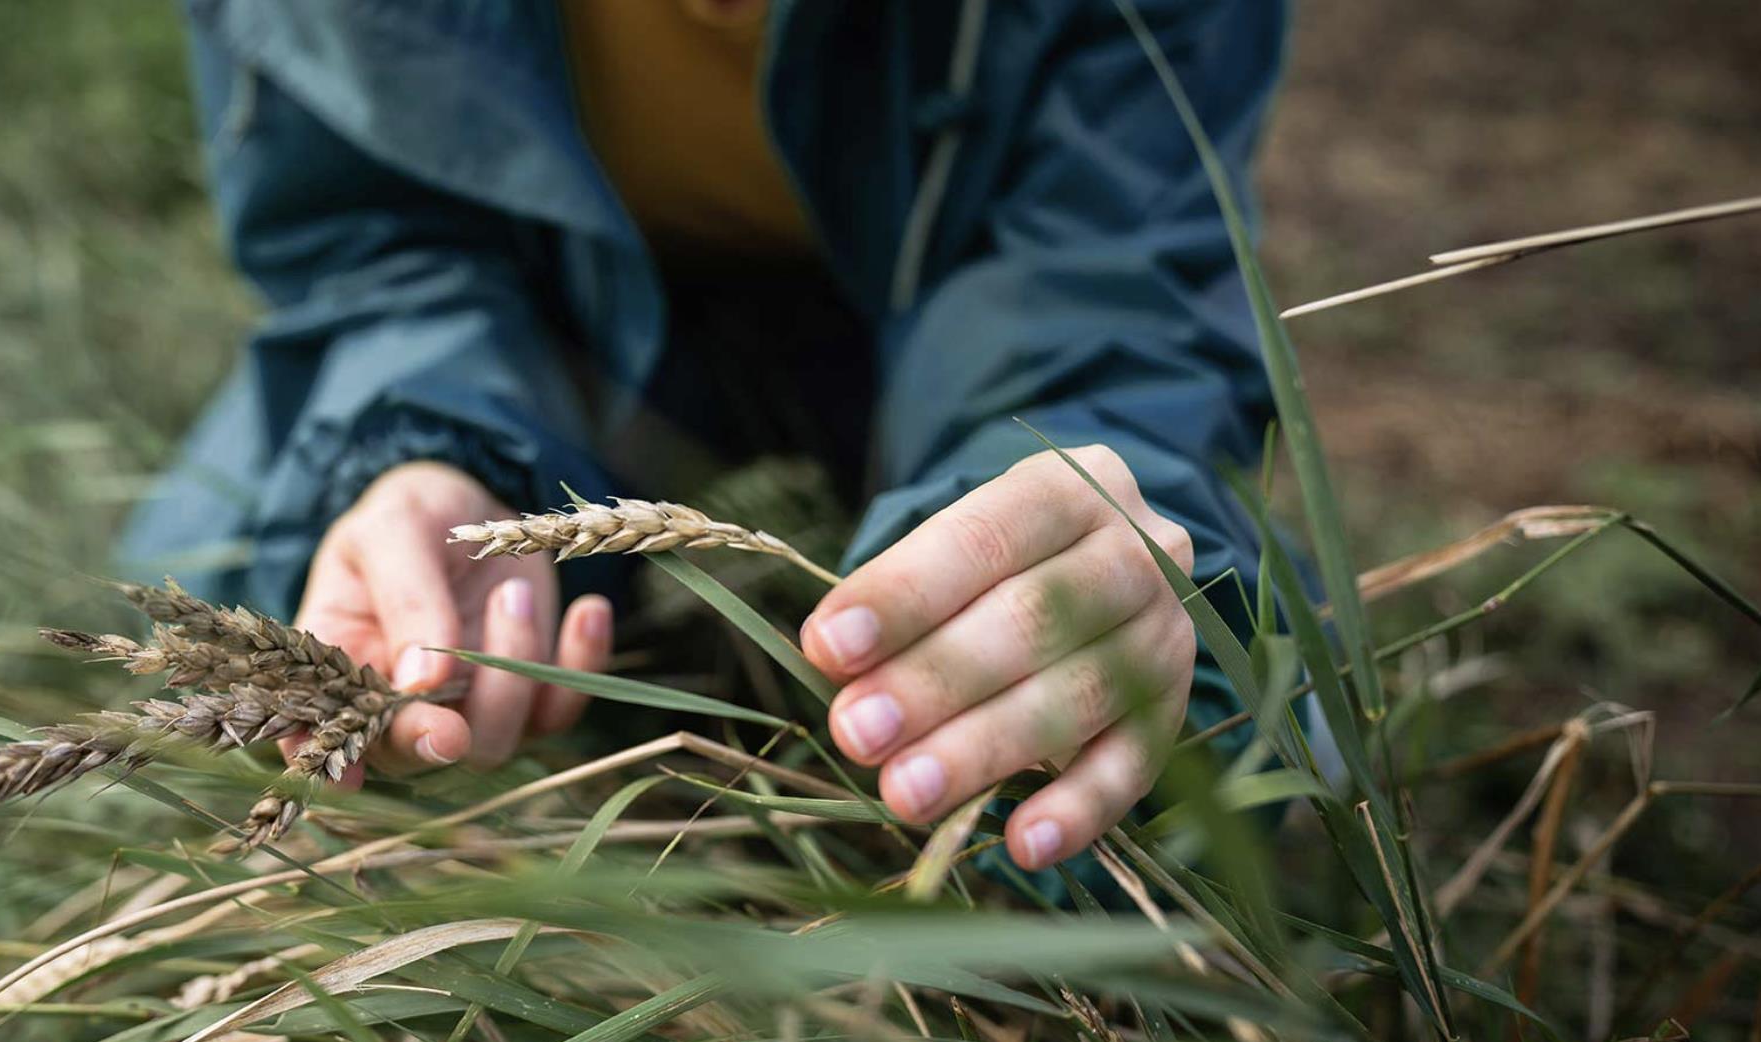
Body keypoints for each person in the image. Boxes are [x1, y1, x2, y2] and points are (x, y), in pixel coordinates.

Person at [123, 0, 1285, 877]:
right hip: (551, 309)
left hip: (936, 313)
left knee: (1175, 679)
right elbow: (369, 237)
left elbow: (1119, 281)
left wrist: (1063, 499)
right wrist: (423, 445)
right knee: (235, 555)